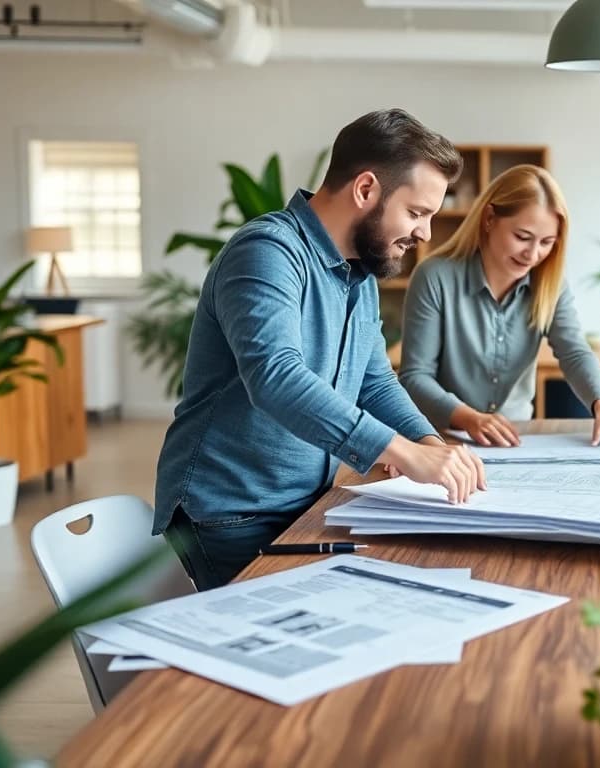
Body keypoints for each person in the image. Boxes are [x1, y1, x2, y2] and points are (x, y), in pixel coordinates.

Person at [155, 109, 486, 591]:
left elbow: (374, 379)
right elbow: (276, 377)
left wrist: (428, 443)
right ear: (366, 189)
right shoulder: (268, 251)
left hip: (301, 503)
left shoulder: (359, 272)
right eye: (417, 213)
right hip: (232, 513)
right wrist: (401, 453)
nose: (425, 234)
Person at [399, 164, 600, 449]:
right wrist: (470, 418)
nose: (532, 254)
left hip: (516, 439)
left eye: (546, 243)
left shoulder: (550, 285)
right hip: (442, 439)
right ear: (489, 218)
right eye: (523, 237)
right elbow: (415, 377)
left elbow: (575, 352)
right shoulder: (435, 277)